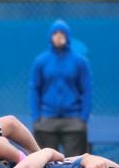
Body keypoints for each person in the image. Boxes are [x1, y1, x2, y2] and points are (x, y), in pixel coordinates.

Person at [29, 19, 92, 158]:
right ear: (50, 36)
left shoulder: (80, 61)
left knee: (76, 165)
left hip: (73, 121)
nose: (59, 36)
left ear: (68, 36)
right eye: (55, 33)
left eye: (62, 33)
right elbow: (34, 89)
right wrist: (36, 117)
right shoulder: (41, 61)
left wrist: (83, 118)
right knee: (47, 164)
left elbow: (87, 90)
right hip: (46, 122)